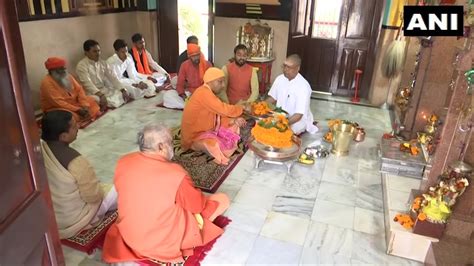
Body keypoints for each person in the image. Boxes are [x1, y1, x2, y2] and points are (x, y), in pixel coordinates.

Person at [102, 123, 229, 264]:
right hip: (161, 244)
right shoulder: (175, 173)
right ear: (161, 147)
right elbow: (197, 206)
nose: (172, 146)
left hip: (130, 236)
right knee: (222, 199)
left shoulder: (123, 161)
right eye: (170, 142)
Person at [40, 110, 117, 239]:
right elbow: (93, 197)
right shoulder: (76, 161)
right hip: (75, 219)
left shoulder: (39, 150)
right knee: (118, 191)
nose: (78, 128)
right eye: (74, 126)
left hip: (52, 216)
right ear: (63, 136)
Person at [181, 67, 248, 165]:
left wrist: (233, 120)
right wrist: (242, 107)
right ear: (210, 82)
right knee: (215, 145)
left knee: (235, 125)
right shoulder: (203, 93)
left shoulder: (208, 92)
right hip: (194, 136)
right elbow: (223, 109)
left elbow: (217, 115)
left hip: (208, 129)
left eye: (223, 82)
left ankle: (210, 144)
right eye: (220, 82)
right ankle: (198, 145)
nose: (223, 85)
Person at [266, 54, 318, 135]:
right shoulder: (280, 79)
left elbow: (299, 115)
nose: (285, 70)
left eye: (289, 67)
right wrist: (261, 106)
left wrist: (283, 124)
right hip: (280, 116)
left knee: (283, 133)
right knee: (262, 125)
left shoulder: (304, 86)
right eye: (284, 66)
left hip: (297, 120)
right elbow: (272, 98)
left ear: (298, 68)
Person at [40, 57, 101, 124]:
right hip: (58, 108)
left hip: (75, 104)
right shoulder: (46, 83)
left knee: (94, 99)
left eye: (64, 67)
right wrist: (78, 110)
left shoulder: (67, 76)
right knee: (69, 117)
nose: (64, 69)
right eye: (61, 68)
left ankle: (84, 116)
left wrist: (84, 105)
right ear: (52, 71)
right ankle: (82, 118)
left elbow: (79, 90)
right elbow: (58, 103)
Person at [76, 39, 130, 109]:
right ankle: (108, 104)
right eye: (94, 51)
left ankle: (109, 104)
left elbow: (113, 77)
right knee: (96, 100)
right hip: (91, 93)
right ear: (86, 53)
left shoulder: (103, 63)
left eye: (99, 51)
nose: (98, 53)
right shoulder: (81, 66)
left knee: (123, 92)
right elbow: (87, 84)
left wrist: (123, 89)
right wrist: (100, 95)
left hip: (104, 90)